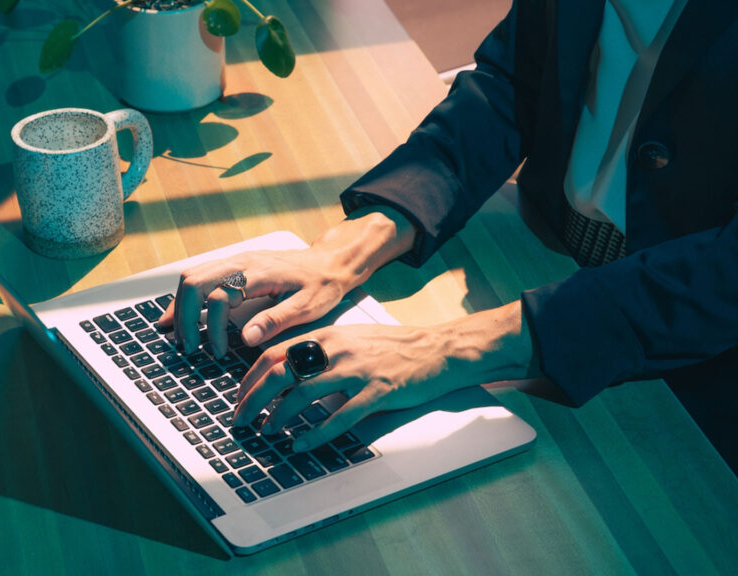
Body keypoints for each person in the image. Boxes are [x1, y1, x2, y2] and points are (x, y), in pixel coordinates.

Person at [158, 0, 738, 461]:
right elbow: (515, 81)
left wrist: (444, 346)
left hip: (691, 378)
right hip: (549, 251)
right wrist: (352, 245)